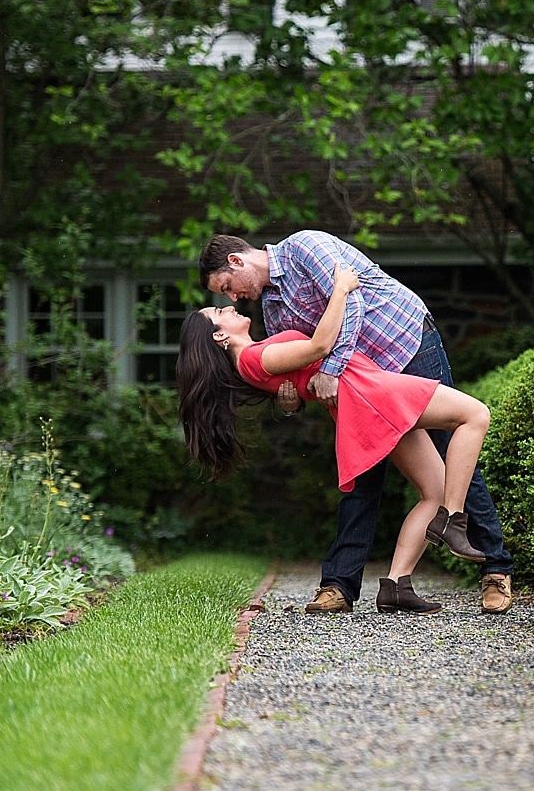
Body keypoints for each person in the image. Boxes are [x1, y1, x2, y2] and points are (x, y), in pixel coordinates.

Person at [197, 230, 515, 615]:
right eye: (224, 297)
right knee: (364, 476)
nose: (233, 297)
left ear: (236, 261)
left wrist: (329, 370)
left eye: (228, 287)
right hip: (362, 383)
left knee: (454, 450)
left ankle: (495, 570)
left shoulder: (304, 248)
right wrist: (292, 401)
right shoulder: (272, 311)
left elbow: (351, 302)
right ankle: (340, 586)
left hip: (404, 342)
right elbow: (298, 370)